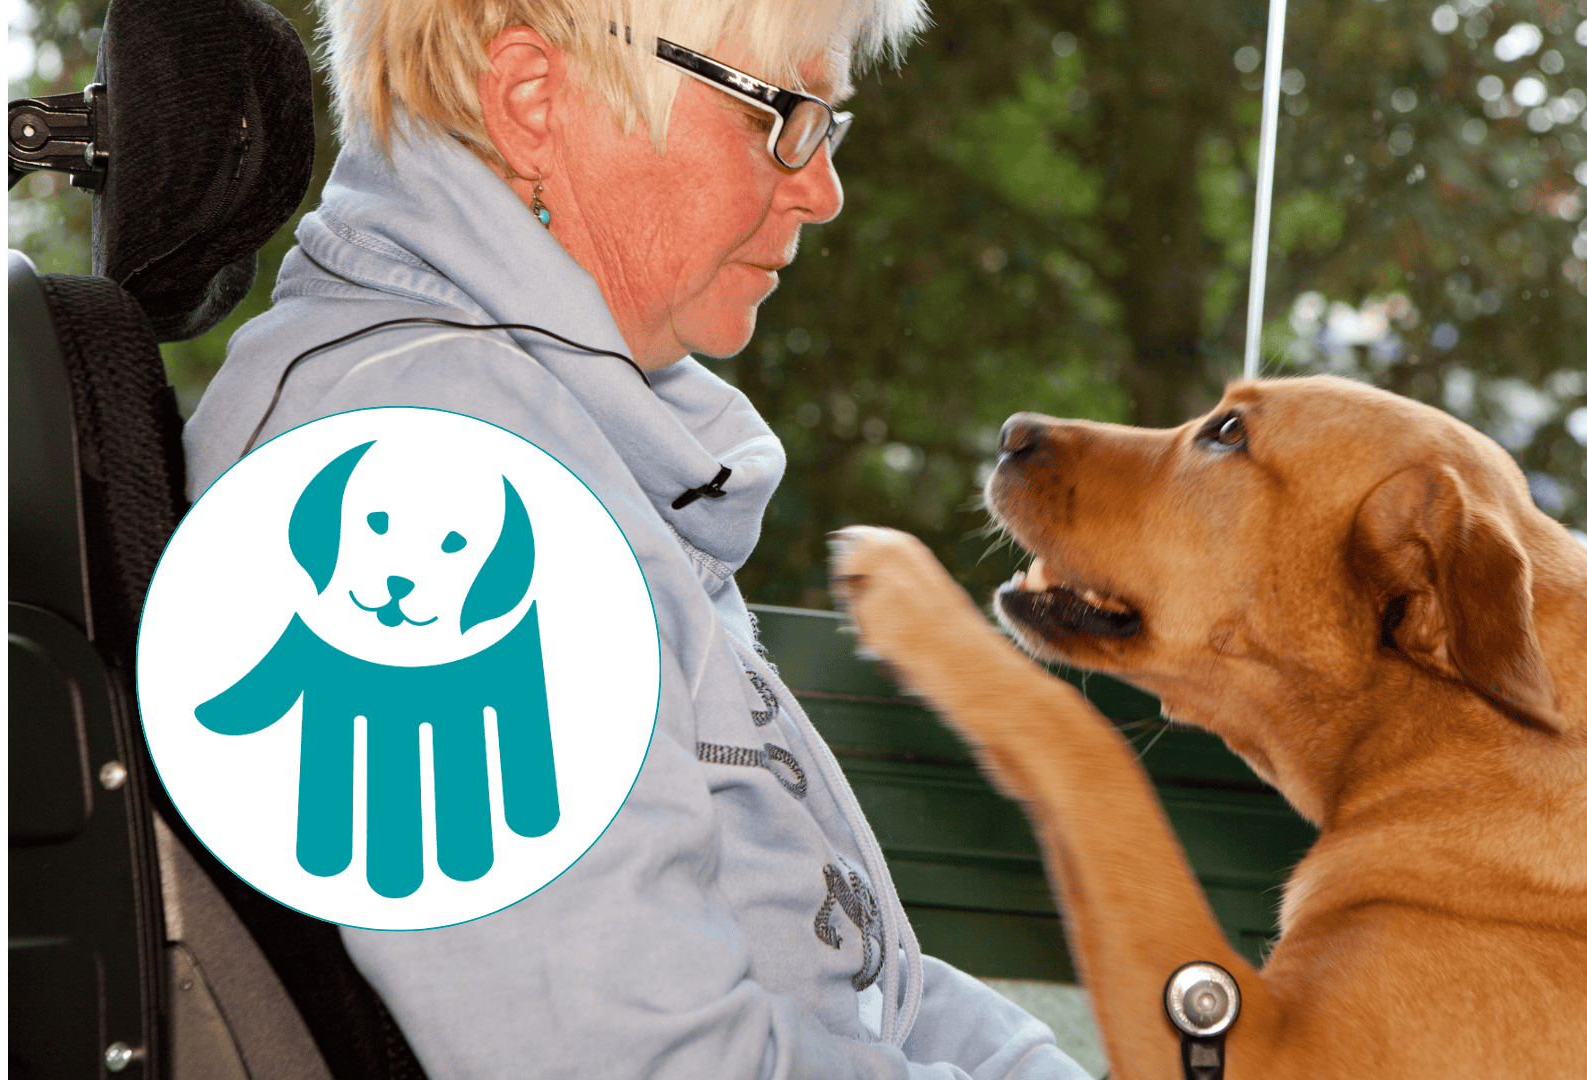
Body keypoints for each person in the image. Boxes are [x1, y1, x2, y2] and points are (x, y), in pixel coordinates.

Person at [184, 0, 1092, 1076]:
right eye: (783, 113)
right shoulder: (435, 474)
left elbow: (857, 981)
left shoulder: (568, 433)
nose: (823, 187)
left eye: (826, 123)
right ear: (533, 100)